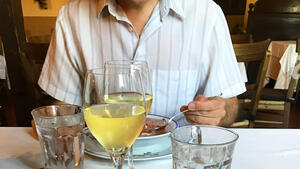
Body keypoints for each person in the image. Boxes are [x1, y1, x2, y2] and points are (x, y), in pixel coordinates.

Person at [39, 0, 246, 127]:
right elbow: (66, 104)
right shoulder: (71, 17)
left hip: (179, 160)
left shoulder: (207, 14)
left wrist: (218, 112)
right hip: (102, 159)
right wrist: (58, 122)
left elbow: (229, 105)